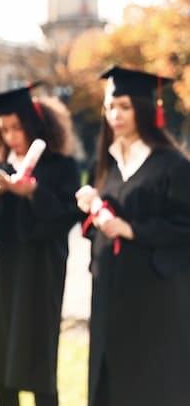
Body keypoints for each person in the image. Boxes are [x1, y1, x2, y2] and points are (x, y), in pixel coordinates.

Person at [75, 66, 190, 406]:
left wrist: (132, 229)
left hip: (155, 299)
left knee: (150, 386)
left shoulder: (172, 165)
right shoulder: (108, 163)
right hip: (110, 293)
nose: (115, 115)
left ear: (145, 107)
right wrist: (93, 208)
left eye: (124, 106)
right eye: (110, 107)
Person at [0, 84, 80, 406]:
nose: (13, 136)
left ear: (35, 125)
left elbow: (68, 214)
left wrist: (32, 193)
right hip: (0, 268)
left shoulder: (60, 166)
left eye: (18, 127)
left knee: (37, 353)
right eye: (5, 129)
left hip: (40, 269)